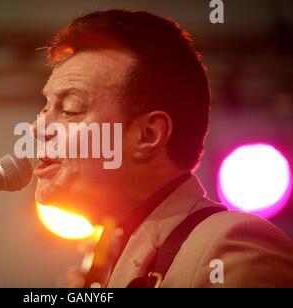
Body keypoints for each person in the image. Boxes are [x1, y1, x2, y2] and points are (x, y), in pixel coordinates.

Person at [31, 9, 293, 288]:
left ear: (148, 135)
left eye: (71, 110)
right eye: (46, 106)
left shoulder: (233, 244)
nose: (38, 128)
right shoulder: (105, 258)